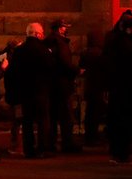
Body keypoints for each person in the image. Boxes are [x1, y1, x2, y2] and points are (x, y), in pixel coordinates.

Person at [7, 22, 52, 158]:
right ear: (38, 34)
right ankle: (42, 149)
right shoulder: (43, 50)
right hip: (40, 91)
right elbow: (50, 69)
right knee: (42, 120)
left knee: (27, 122)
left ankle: (29, 149)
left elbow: (12, 72)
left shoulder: (19, 51)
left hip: (24, 92)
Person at [105, 11, 132, 164]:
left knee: (117, 120)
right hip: (125, 89)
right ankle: (122, 153)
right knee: (124, 121)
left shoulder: (114, 41)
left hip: (118, 88)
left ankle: (117, 151)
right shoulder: (125, 45)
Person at [48, 17, 81, 153]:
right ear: (59, 28)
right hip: (62, 84)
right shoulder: (60, 43)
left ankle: (52, 143)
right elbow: (64, 63)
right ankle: (68, 144)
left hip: (52, 84)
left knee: (53, 116)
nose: (66, 29)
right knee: (66, 116)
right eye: (64, 27)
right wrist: (76, 70)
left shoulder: (48, 42)